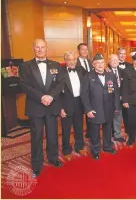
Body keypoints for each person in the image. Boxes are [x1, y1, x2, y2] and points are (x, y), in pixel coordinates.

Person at [19, 39, 64, 178]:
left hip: (51, 105)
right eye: (37, 47)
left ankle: (53, 158)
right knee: (36, 136)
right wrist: (41, 97)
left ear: (46, 48)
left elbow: (60, 83)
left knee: (52, 135)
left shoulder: (56, 65)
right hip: (35, 106)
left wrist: (50, 96)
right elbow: (24, 85)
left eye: (42, 47)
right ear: (33, 48)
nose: (40, 49)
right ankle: (37, 164)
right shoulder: (25, 66)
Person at [81, 53, 120, 159]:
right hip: (95, 109)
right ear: (93, 65)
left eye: (102, 62)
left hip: (108, 108)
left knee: (108, 129)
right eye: (97, 63)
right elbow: (84, 95)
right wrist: (88, 110)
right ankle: (95, 150)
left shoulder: (111, 75)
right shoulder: (88, 76)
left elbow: (116, 92)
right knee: (95, 132)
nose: (100, 65)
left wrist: (116, 107)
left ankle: (107, 147)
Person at [59, 51, 87, 161]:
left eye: (74, 59)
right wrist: (60, 108)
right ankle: (66, 150)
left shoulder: (81, 70)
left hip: (79, 103)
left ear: (77, 60)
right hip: (66, 104)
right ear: (65, 60)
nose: (71, 62)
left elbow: (91, 76)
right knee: (66, 128)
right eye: (69, 59)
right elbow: (56, 92)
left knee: (79, 126)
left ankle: (79, 146)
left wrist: (106, 69)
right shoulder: (60, 72)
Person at [107, 54, 126, 143]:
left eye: (116, 60)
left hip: (119, 99)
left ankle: (117, 135)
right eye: (112, 60)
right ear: (109, 61)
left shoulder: (122, 71)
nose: (114, 62)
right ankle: (109, 135)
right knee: (109, 117)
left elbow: (124, 85)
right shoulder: (105, 71)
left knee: (118, 116)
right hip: (109, 99)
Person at [76, 43, 92, 139]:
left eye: (86, 49)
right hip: (78, 92)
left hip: (90, 92)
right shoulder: (75, 62)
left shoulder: (91, 62)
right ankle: (79, 137)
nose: (85, 51)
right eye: (83, 49)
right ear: (78, 51)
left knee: (90, 112)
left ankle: (89, 133)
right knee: (79, 116)